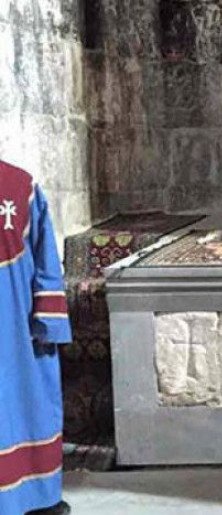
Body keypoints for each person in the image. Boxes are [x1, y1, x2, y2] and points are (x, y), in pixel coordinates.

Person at [0, 161, 72, 515]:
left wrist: (48, 320)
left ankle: (34, 495)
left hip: (15, 331)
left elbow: (45, 257)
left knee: (25, 407)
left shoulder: (19, 187)